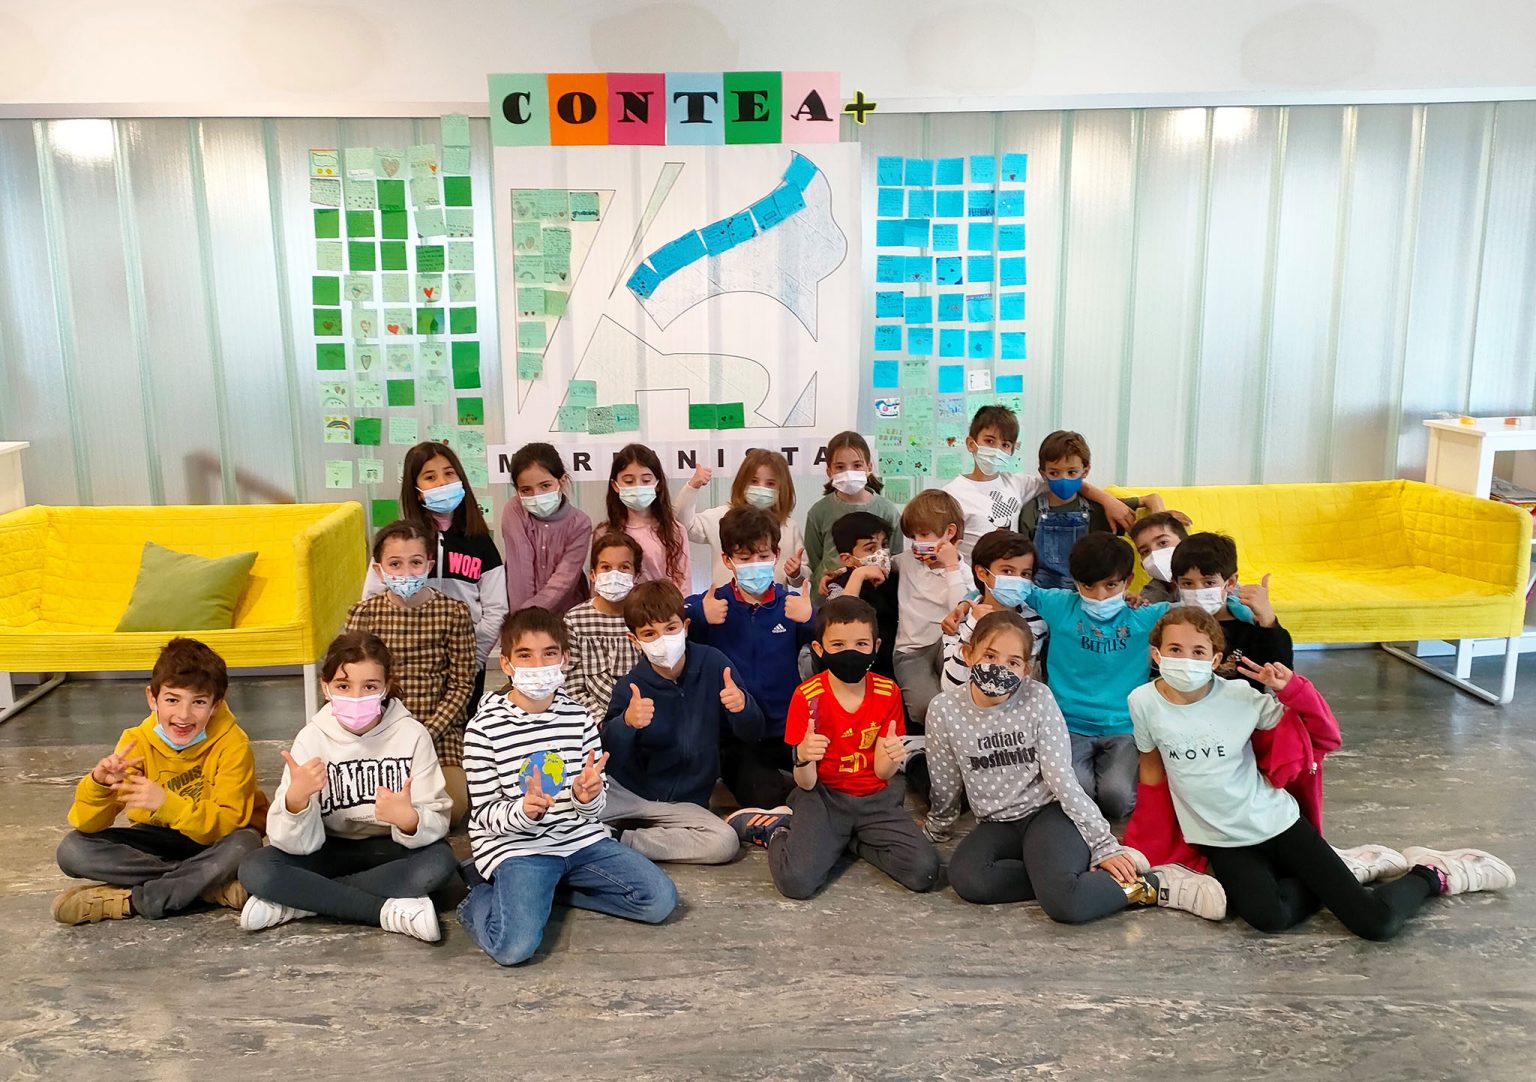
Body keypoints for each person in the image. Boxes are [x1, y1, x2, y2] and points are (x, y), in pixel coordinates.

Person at [1133, 608, 1515, 939]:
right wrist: (1143, 843)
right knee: (1269, 918)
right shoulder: (1143, 702)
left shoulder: (1241, 697)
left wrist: (1293, 689)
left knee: (1375, 924)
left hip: (1276, 823)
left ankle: (1432, 873)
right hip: (1223, 840)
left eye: (1198, 651)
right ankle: (1349, 868)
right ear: (1157, 653)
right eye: (1175, 649)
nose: (1186, 659)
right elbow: (1151, 771)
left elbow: (1324, 736)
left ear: (1215, 659)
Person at [926, 611, 1224, 921]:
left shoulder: (1038, 698)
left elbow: (1062, 779)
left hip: (1048, 813)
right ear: (968, 653)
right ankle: (1067, 878)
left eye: (1013, 662)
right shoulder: (944, 710)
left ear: (1026, 669)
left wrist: (1102, 843)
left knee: (1066, 904)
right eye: (990, 655)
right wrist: (938, 826)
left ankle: (1157, 884)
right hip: (996, 822)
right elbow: (945, 780)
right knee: (969, 878)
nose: (1000, 667)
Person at [458, 607, 677, 966]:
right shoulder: (483, 729)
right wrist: (523, 812)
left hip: (581, 840)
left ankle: (550, 892)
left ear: (564, 659)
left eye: (549, 653)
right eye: (525, 655)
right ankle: (478, 898)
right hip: (519, 848)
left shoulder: (579, 718)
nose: (538, 665)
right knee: (513, 948)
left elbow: (595, 802)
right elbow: (483, 813)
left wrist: (585, 797)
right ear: (507, 664)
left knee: (658, 901)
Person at [237, 630, 457, 940]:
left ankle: (299, 901)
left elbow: (437, 819)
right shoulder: (311, 738)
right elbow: (288, 842)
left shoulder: (413, 735)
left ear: (386, 687)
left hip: (392, 849)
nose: (356, 697)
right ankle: (385, 911)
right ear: (325, 687)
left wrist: (410, 820)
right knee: (256, 868)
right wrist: (295, 802)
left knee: (438, 864)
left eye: (370, 686)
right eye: (343, 686)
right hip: (328, 849)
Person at [729, 596, 939, 898]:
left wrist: (892, 757)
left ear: (876, 646)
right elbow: (806, 783)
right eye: (838, 645)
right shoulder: (807, 696)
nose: (850, 652)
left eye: (861, 644)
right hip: (823, 798)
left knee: (924, 871)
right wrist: (803, 756)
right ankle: (778, 830)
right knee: (796, 882)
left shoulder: (888, 692)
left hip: (875, 799)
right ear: (819, 649)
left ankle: (847, 840)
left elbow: (882, 772)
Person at [52, 638, 262, 925]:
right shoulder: (136, 741)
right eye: (172, 700)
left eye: (199, 702)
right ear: (152, 699)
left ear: (215, 705)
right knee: (72, 850)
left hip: (213, 841)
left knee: (245, 844)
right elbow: (87, 824)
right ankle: (207, 887)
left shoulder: (233, 743)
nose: (184, 715)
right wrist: (100, 784)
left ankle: (131, 901)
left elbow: (229, 822)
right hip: (157, 840)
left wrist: (168, 804)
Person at [600, 580, 765, 863]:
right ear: (634, 640)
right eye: (649, 633)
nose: (663, 640)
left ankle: (617, 840)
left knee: (724, 842)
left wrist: (742, 707)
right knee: (566, 813)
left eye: (670, 628)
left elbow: (753, 732)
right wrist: (626, 723)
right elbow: (610, 758)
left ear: (686, 627)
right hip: (628, 795)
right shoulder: (630, 686)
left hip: (685, 803)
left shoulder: (714, 664)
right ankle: (603, 833)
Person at [1012, 533, 1173, 820]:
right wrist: (967, 601)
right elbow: (1012, 590)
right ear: (1075, 582)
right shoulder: (1059, 604)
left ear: (1128, 580)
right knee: (1077, 793)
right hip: (1068, 724)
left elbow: (1201, 607)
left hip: (1124, 727)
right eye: (1088, 586)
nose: (1100, 596)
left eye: (1110, 585)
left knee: (1116, 799)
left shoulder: (1145, 616)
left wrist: (1248, 609)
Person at [344, 520, 476, 822]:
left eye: (415, 563)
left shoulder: (453, 613)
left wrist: (426, 733)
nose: (406, 572)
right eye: (395, 564)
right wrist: (378, 731)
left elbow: (461, 685)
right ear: (379, 570)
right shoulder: (364, 614)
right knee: (360, 807)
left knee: (451, 808)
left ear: (429, 565)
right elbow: (350, 679)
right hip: (378, 728)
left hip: (437, 731)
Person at [685, 505, 815, 808]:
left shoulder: (791, 604)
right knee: (766, 796)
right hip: (735, 736)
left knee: (825, 782)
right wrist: (699, 615)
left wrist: (811, 619)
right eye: (744, 559)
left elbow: (835, 641)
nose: (754, 564)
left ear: (776, 555)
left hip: (788, 728)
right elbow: (668, 623)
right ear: (727, 560)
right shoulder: (712, 603)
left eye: (763, 556)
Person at [361, 440, 506, 709]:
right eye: (430, 477)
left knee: (460, 722)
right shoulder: (399, 541)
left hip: (466, 657)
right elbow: (372, 598)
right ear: (416, 491)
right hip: (406, 662)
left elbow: (496, 608)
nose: (442, 482)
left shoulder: (480, 542)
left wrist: (474, 657)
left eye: (449, 473)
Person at [945, 406, 1136, 564]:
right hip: (974, 584)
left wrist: (1108, 500)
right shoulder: (951, 494)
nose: (997, 450)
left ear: (1012, 450)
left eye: (1005, 445)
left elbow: (1066, 481)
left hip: (1013, 581)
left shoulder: (1018, 483)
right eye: (989, 441)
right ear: (971, 444)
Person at [1019, 430, 1163, 589]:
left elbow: (1150, 499)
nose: (1064, 479)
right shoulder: (1031, 511)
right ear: (1043, 473)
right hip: (1043, 596)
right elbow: (1023, 563)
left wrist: (1160, 515)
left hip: (1089, 594)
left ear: (1085, 470)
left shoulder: (1100, 508)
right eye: (1054, 473)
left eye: (1072, 472)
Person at [1171, 532, 1294, 687]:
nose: (1198, 591)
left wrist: (1268, 619)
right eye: (1187, 584)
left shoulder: (1249, 628)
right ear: (1177, 584)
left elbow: (1282, 674)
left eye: (1209, 583)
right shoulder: (1172, 626)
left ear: (1230, 582)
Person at [890, 489, 970, 728]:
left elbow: (959, 611)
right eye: (913, 536)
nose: (917, 543)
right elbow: (878, 564)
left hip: (949, 644)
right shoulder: (906, 561)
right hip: (911, 650)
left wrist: (951, 567)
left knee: (962, 697)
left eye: (924, 534)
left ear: (949, 532)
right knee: (924, 707)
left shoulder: (963, 571)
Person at [678, 449, 807, 589]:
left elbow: (802, 576)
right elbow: (683, 526)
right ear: (742, 483)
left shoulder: (789, 527)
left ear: (782, 488)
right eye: (754, 481)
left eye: (770, 484)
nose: (761, 488)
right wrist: (692, 486)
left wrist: (796, 573)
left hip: (775, 602)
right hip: (725, 601)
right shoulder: (721, 518)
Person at [940, 530, 1047, 691]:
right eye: (1007, 571)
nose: (1017, 579)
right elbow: (950, 687)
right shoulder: (958, 622)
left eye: (1025, 574)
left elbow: (1026, 681)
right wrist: (972, 626)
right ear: (982, 573)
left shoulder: (1036, 624)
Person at [804, 431, 904, 600]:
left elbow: (894, 559)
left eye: (857, 465)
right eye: (840, 467)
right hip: (829, 600)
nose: (849, 472)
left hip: (876, 600)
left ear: (869, 467)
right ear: (829, 471)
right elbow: (815, 560)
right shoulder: (819, 512)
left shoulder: (887, 511)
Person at [501, 441, 593, 617]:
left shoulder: (580, 523)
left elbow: (563, 581)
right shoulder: (514, 510)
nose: (536, 495)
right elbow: (520, 571)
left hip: (567, 615)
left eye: (545, 486)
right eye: (526, 490)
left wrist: (532, 614)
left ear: (562, 481)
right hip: (520, 616)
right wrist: (523, 619)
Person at [562, 530, 644, 718]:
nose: (614, 575)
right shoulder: (575, 620)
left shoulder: (645, 618)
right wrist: (601, 721)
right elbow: (571, 684)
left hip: (643, 716)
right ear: (593, 574)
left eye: (624, 567)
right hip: (593, 721)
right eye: (606, 567)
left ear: (636, 575)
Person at [603, 442, 691, 591]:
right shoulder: (605, 533)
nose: (638, 486)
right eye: (629, 481)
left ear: (658, 484)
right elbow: (598, 585)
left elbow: (683, 585)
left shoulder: (674, 531)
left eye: (646, 480)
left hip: (663, 605)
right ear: (615, 485)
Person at [821, 510, 900, 678]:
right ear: (847, 559)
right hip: (854, 668)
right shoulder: (838, 584)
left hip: (893, 664)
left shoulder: (895, 576)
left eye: (884, 545)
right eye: (870, 548)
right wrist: (859, 574)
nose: (881, 554)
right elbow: (841, 616)